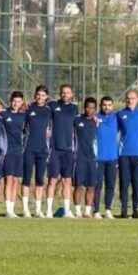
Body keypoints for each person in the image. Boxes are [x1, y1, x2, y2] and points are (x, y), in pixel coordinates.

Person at [48, 84, 79, 218]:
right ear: (60, 94)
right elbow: (40, 109)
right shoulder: (53, 106)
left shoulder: (74, 108)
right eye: (63, 92)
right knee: (52, 181)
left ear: (72, 94)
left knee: (67, 181)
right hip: (55, 149)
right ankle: (48, 210)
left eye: (68, 92)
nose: (65, 95)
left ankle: (67, 210)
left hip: (68, 150)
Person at [23, 86, 53, 217]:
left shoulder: (49, 110)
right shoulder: (28, 109)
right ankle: (25, 209)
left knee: (40, 180)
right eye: (38, 95)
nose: (40, 97)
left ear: (46, 96)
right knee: (26, 179)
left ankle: (38, 209)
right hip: (29, 149)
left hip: (43, 150)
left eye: (43, 95)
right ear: (34, 95)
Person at [117, 90, 138, 218]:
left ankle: (136, 209)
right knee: (124, 183)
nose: (130, 100)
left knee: (137, 184)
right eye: (128, 98)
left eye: (133, 98)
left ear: (137, 99)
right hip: (124, 154)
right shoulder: (120, 114)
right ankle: (124, 209)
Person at [0, 92, 27, 217]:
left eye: (19, 101)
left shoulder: (24, 116)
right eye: (14, 101)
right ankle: (7, 209)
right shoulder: (3, 114)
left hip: (18, 151)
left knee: (15, 180)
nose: (16, 103)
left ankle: (12, 208)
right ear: (10, 100)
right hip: (7, 151)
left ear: (22, 102)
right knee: (8, 179)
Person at [72, 98, 99, 218]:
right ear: (84, 107)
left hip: (92, 159)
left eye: (92, 108)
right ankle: (77, 211)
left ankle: (87, 211)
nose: (90, 110)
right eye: (88, 107)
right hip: (79, 158)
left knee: (91, 186)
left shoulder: (96, 121)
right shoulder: (77, 120)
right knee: (78, 185)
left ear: (95, 109)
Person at [95, 96, 120, 220]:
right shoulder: (95, 117)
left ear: (113, 106)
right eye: (104, 105)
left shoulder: (117, 117)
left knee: (110, 185)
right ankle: (96, 210)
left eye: (109, 105)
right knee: (97, 185)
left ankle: (108, 210)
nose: (107, 107)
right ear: (100, 105)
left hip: (113, 158)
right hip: (98, 158)